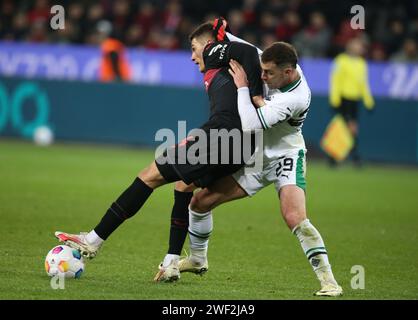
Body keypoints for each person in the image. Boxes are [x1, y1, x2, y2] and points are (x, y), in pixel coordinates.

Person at [54, 21, 263, 275]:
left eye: (194, 48)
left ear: (209, 45)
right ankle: (172, 261)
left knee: (149, 175)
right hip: (241, 145)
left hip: (223, 137)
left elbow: (250, 52)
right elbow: (229, 109)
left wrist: (256, 95)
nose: (192, 56)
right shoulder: (225, 69)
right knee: (184, 185)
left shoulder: (215, 53)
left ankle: (93, 240)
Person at [158, 37, 343, 297]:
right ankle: (199, 259)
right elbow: (246, 47)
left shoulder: (296, 98)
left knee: (295, 217)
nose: (263, 76)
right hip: (256, 157)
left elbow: (249, 124)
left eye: (268, 73)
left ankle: (329, 281)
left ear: (288, 73)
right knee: (199, 203)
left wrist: (244, 88)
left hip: (286, 157)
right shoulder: (277, 69)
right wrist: (223, 33)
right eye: (262, 70)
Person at [329, 37, 375, 166]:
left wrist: (369, 102)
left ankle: (335, 157)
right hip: (344, 99)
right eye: (358, 45)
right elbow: (335, 81)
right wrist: (335, 99)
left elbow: (364, 84)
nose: (360, 48)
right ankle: (353, 156)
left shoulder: (362, 63)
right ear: (350, 46)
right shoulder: (341, 61)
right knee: (349, 128)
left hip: (355, 100)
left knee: (349, 128)